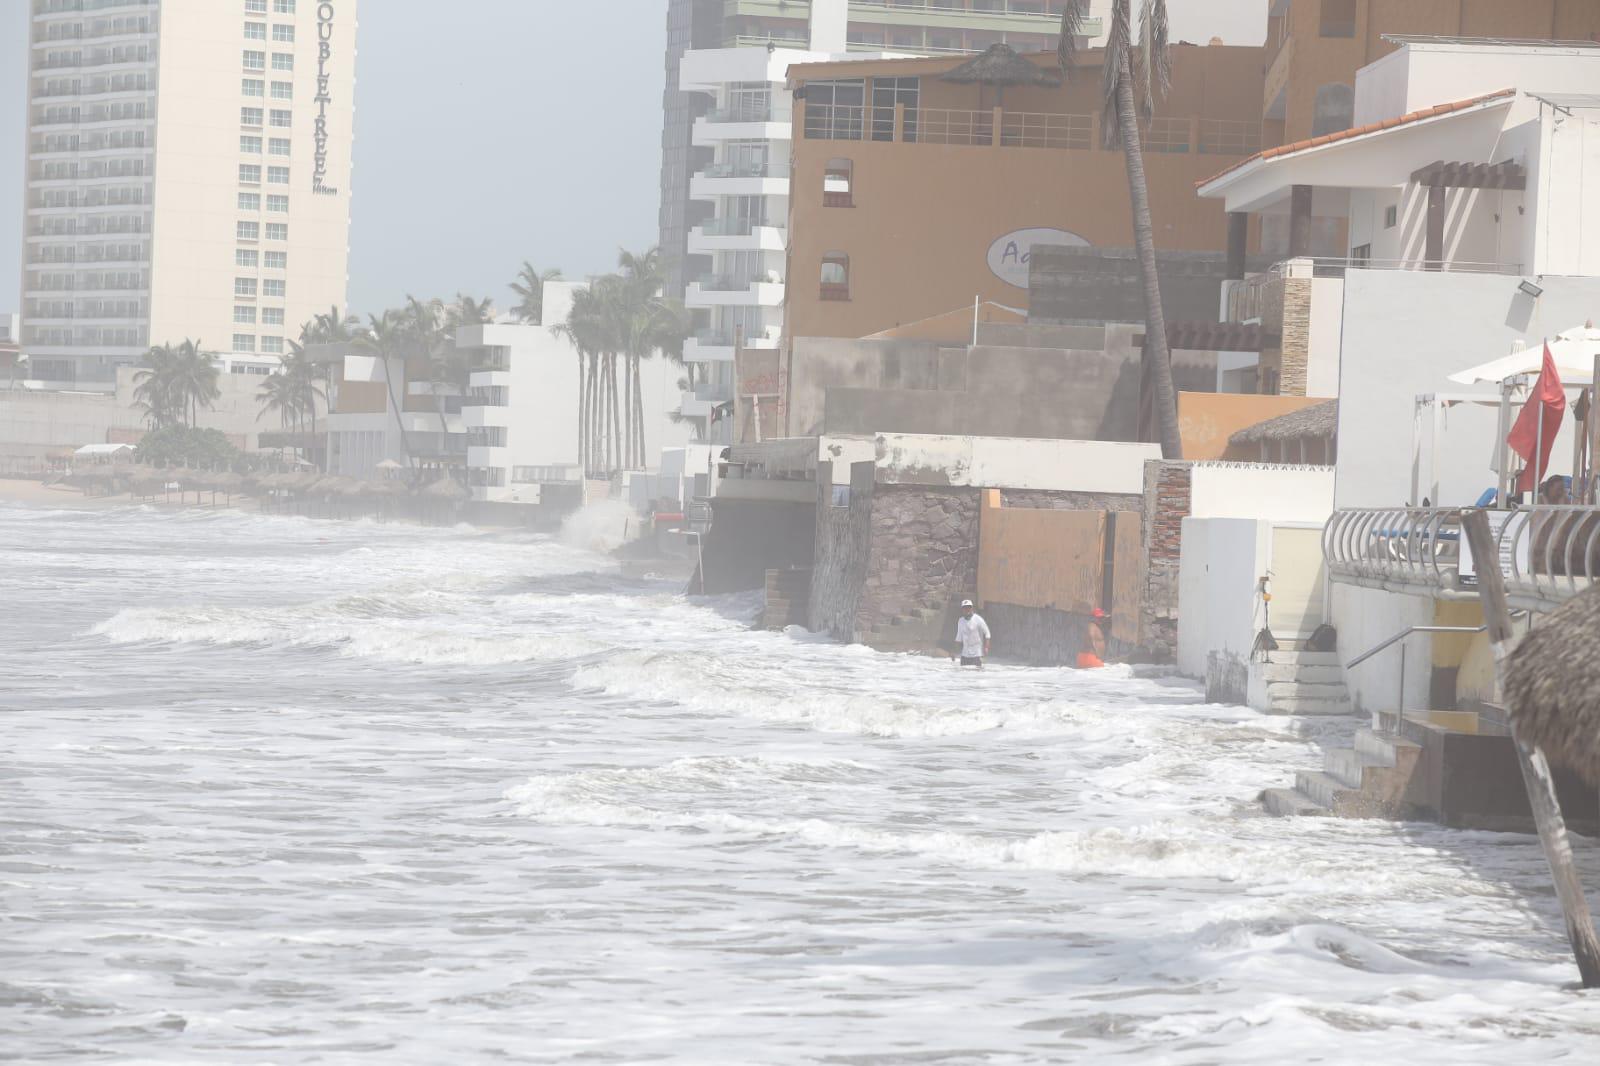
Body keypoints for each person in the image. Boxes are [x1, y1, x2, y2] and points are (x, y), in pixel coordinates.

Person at [955, 599, 991, 668]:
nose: (967, 609)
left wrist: (986, 647)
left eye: (969, 607)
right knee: (962, 676)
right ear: (962, 609)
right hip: (965, 655)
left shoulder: (978, 619)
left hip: (977, 654)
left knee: (976, 677)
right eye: (965, 608)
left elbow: (987, 633)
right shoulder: (960, 621)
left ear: (972, 608)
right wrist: (954, 652)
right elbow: (958, 637)